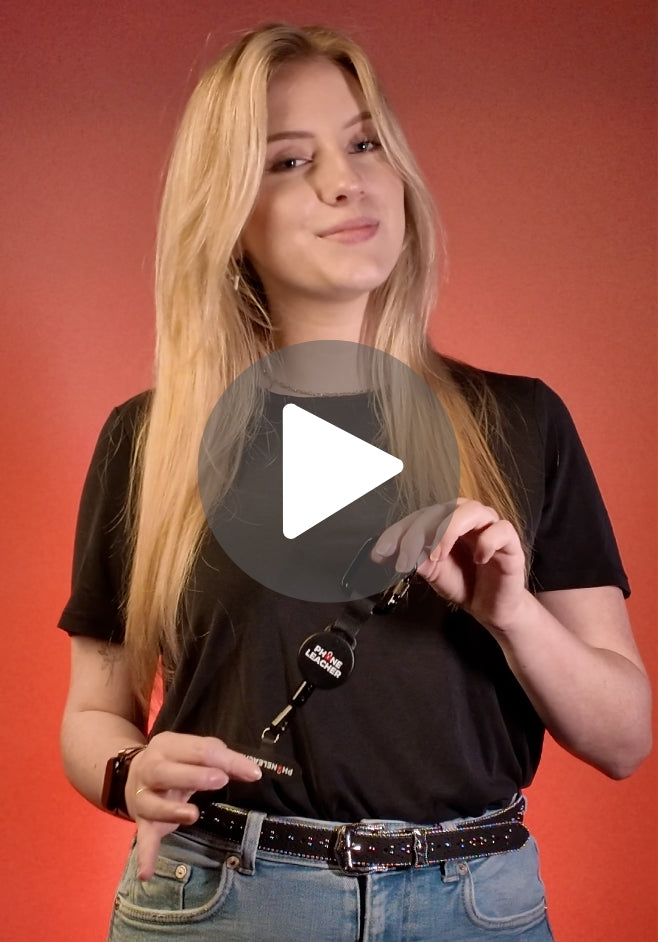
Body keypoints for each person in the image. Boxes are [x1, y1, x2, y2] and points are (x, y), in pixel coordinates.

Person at [59, 23, 651, 942]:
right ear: (228, 215)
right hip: (229, 901)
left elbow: (624, 740)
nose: (347, 180)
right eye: (290, 160)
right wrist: (128, 773)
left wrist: (514, 616)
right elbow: (94, 711)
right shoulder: (150, 442)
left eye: (366, 143)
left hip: (476, 908)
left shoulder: (522, 421)